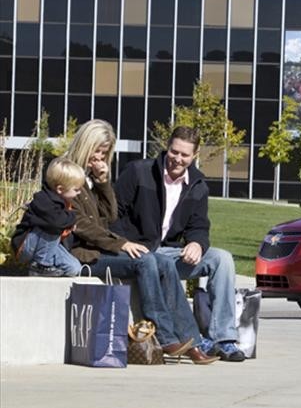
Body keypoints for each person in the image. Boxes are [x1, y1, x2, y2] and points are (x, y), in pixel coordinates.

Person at [64, 119, 217, 365]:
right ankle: (166, 338)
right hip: (84, 254)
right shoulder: (66, 174)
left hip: (103, 248)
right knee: (146, 261)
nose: (100, 157)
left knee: (163, 263)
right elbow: (79, 224)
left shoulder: (92, 177)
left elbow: (111, 216)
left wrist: (103, 183)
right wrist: (121, 244)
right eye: (97, 150)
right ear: (84, 145)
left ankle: (192, 342)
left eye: (104, 152)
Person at [113, 126, 245, 362]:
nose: (178, 159)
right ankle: (186, 338)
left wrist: (197, 243)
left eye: (185, 155)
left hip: (170, 253)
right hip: (138, 251)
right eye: (174, 152)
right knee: (157, 260)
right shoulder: (138, 172)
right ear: (167, 147)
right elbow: (113, 214)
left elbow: (199, 225)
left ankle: (223, 339)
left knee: (222, 259)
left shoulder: (198, 184)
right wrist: (124, 242)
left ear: (194, 156)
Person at [11, 157, 84, 277]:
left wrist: (68, 222)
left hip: (44, 247)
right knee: (53, 226)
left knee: (74, 268)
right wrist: (71, 219)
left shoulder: (63, 202)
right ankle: (42, 266)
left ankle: (46, 269)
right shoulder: (43, 200)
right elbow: (56, 222)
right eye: (76, 189)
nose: (79, 192)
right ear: (60, 189)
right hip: (26, 246)